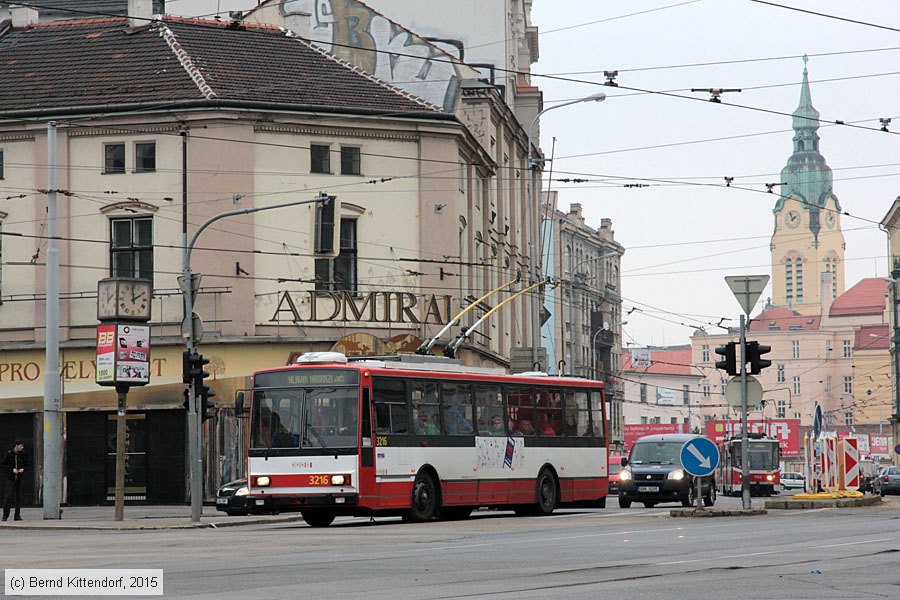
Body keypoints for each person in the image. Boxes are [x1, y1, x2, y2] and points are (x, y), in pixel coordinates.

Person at [2, 440, 27, 522]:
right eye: (21, 446)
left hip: (19, 478)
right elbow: (3, 464)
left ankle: (17, 515)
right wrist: (11, 469)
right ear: (16, 446)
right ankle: (5, 515)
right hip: (11, 478)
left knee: (18, 497)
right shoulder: (9, 454)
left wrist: (23, 469)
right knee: (8, 497)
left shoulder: (23, 455)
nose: (22, 448)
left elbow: (27, 464)